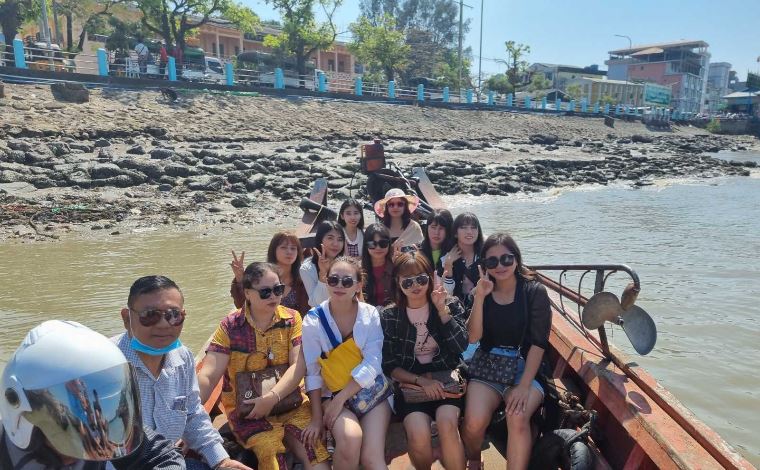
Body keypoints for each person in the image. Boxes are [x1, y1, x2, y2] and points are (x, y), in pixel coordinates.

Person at [0, 320, 186, 469]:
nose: (87, 438)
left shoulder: (100, 429)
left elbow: (164, 457)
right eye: (66, 426)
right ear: (22, 413)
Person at [198, 263, 330, 470]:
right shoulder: (230, 326)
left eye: (278, 290)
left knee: (316, 454)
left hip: (291, 404)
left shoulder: (292, 318)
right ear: (247, 293)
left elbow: (298, 367)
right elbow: (208, 375)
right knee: (271, 453)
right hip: (249, 412)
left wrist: (271, 398)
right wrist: (188, 414)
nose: (273, 297)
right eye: (265, 292)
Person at [114, 275, 250, 470]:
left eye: (173, 315)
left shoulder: (182, 357)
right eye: (150, 315)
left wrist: (221, 461)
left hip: (169, 462)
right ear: (127, 318)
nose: (163, 324)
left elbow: (192, 414)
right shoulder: (107, 363)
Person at [461, 233, 552, 470]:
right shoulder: (482, 291)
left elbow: (538, 343)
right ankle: (474, 459)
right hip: (488, 364)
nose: (500, 266)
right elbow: (473, 337)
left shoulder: (534, 291)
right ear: (484, 265)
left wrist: (524, 386)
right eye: (492, 261)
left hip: (526, 367)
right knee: (473, 422)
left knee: (517, 416)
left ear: (516, 259)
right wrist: (480, 297)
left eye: (506, 259)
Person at [380, 252, 468, 470]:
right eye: (407, 281)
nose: (415, 286)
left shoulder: (449, 304)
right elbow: (389, 365)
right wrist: (421, 381)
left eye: (421, 279)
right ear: (398, 283)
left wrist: (442, 310)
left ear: (430, 277)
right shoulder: (390, 316)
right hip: (412, 384)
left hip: (446, 379)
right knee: (418, 433)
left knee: (447, 424)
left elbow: (461, 346)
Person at [302, 256, 391, 470]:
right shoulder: (313, 320)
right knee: (351, 438)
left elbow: (373, 363)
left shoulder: (369, 314)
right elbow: (312, 372)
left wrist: (341, 399)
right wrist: (317, 418)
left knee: (372, 459)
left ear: (358, 285)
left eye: (347, 281)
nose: (339, 286)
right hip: (331, 394)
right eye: (333, 280)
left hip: (370, 392)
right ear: (326, 281)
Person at [231, 231, 309, 315]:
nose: (289, 252)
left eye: (293, 248)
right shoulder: (261, 277)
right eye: (283, 247)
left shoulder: (303, 279)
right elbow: (243, 307)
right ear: (274, 250)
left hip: (296, 323)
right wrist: (240, 279)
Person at [439, 212, 484, 303]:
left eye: (473, 227)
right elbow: (446, 295)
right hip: (455, 308)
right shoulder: (445, 258)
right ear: (455, 233)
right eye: (463, 227)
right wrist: (448, 265)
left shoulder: (485, 256)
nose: (469, 231)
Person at [300, 221, 345, 308]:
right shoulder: (307, 268)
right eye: (330, 238)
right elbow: (317, 303)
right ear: (320, 239)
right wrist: (323, 274)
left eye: (340, 239)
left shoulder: (347, 266)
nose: (335, 244)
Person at [361, 223, 394, 308]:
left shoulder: (397, 267)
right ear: (366, 245)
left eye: (383, 243)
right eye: (372, 244)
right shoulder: (358, 269)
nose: (378, 248)